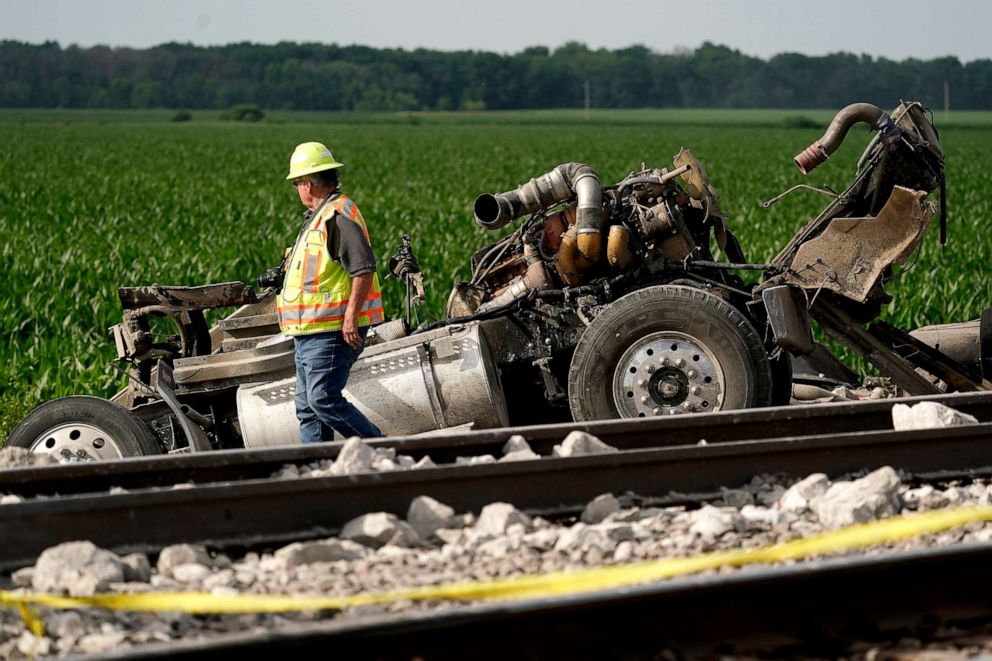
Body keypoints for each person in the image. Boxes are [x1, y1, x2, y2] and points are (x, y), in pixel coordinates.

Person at [271, 141, 384, 441]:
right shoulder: (319, 218)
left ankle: (382, 450)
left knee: (323, 399)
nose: (296, 189)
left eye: (296, 183)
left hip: (330, 331)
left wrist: (350, 318)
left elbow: (363, 268)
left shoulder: (337, 217)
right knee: (308, 407)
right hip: (308, 332)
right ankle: (319, 474)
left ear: (308, 183)